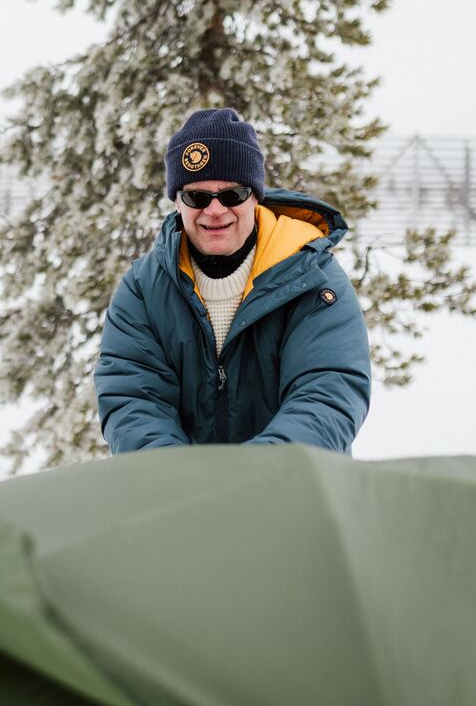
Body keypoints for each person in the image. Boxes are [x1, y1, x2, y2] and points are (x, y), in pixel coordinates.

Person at [94, 108, 371, 454]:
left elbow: (329, 391)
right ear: (177, 201)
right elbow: (133, 398)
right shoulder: (143, 290)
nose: (214, 210)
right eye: (197, 196)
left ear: (255, 196)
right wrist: (177, 479)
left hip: (289, 488)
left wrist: (254, 475)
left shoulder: (314, 280)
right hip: (180, 497)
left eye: (232, 195)